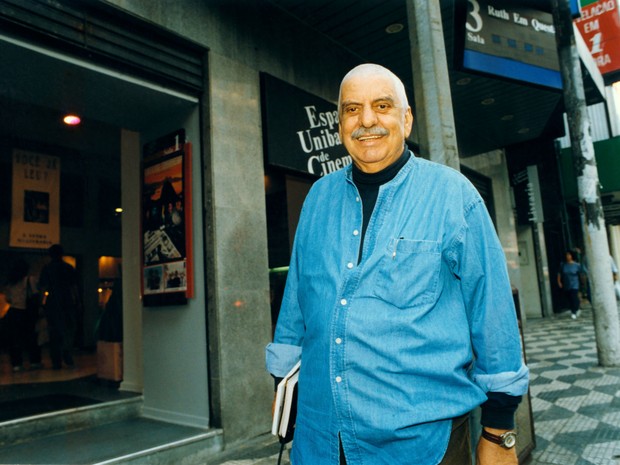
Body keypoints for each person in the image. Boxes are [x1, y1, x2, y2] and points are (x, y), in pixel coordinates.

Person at [266, 64, 528, 465]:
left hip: (422, 444)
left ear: (406, 119)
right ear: (339, 125)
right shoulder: (318, 198)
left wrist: (498, 430)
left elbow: (492, 314)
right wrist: (282, 383)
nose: (366, 120)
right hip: (319, 439)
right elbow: (295, 308)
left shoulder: (452, 195)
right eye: (352, 109)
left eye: (382, 105)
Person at [38, 244, 79, 369]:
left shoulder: (47, 269)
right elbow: (74, 287)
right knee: (67, 330)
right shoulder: (68, 268)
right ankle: (67, 355)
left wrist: (41, 304)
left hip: (52, 303)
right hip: (67, 301)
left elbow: (43, 288)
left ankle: (56, 361)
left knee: (53, 332)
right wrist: (77, 301)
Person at [2, 259, 42, 372]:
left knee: (15, 339)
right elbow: (35, 294)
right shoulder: (31, 280)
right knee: (31, 337)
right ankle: (34, 361)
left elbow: (8, 298)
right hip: (27, 312)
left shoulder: (10, 282)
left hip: (14, 311)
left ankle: (16, 364)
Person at [557, 250, 584, 319]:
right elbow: (559, 274)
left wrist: (582, 282)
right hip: (566, 284)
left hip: (575, 284)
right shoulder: (563, 265)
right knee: (569, 297)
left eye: (569, 255)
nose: (568, 256)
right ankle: (574, 309)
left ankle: (574, 311)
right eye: (566, 255)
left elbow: (580, 274)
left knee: (574, 296)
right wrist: (559, 282)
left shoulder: (577, 265)